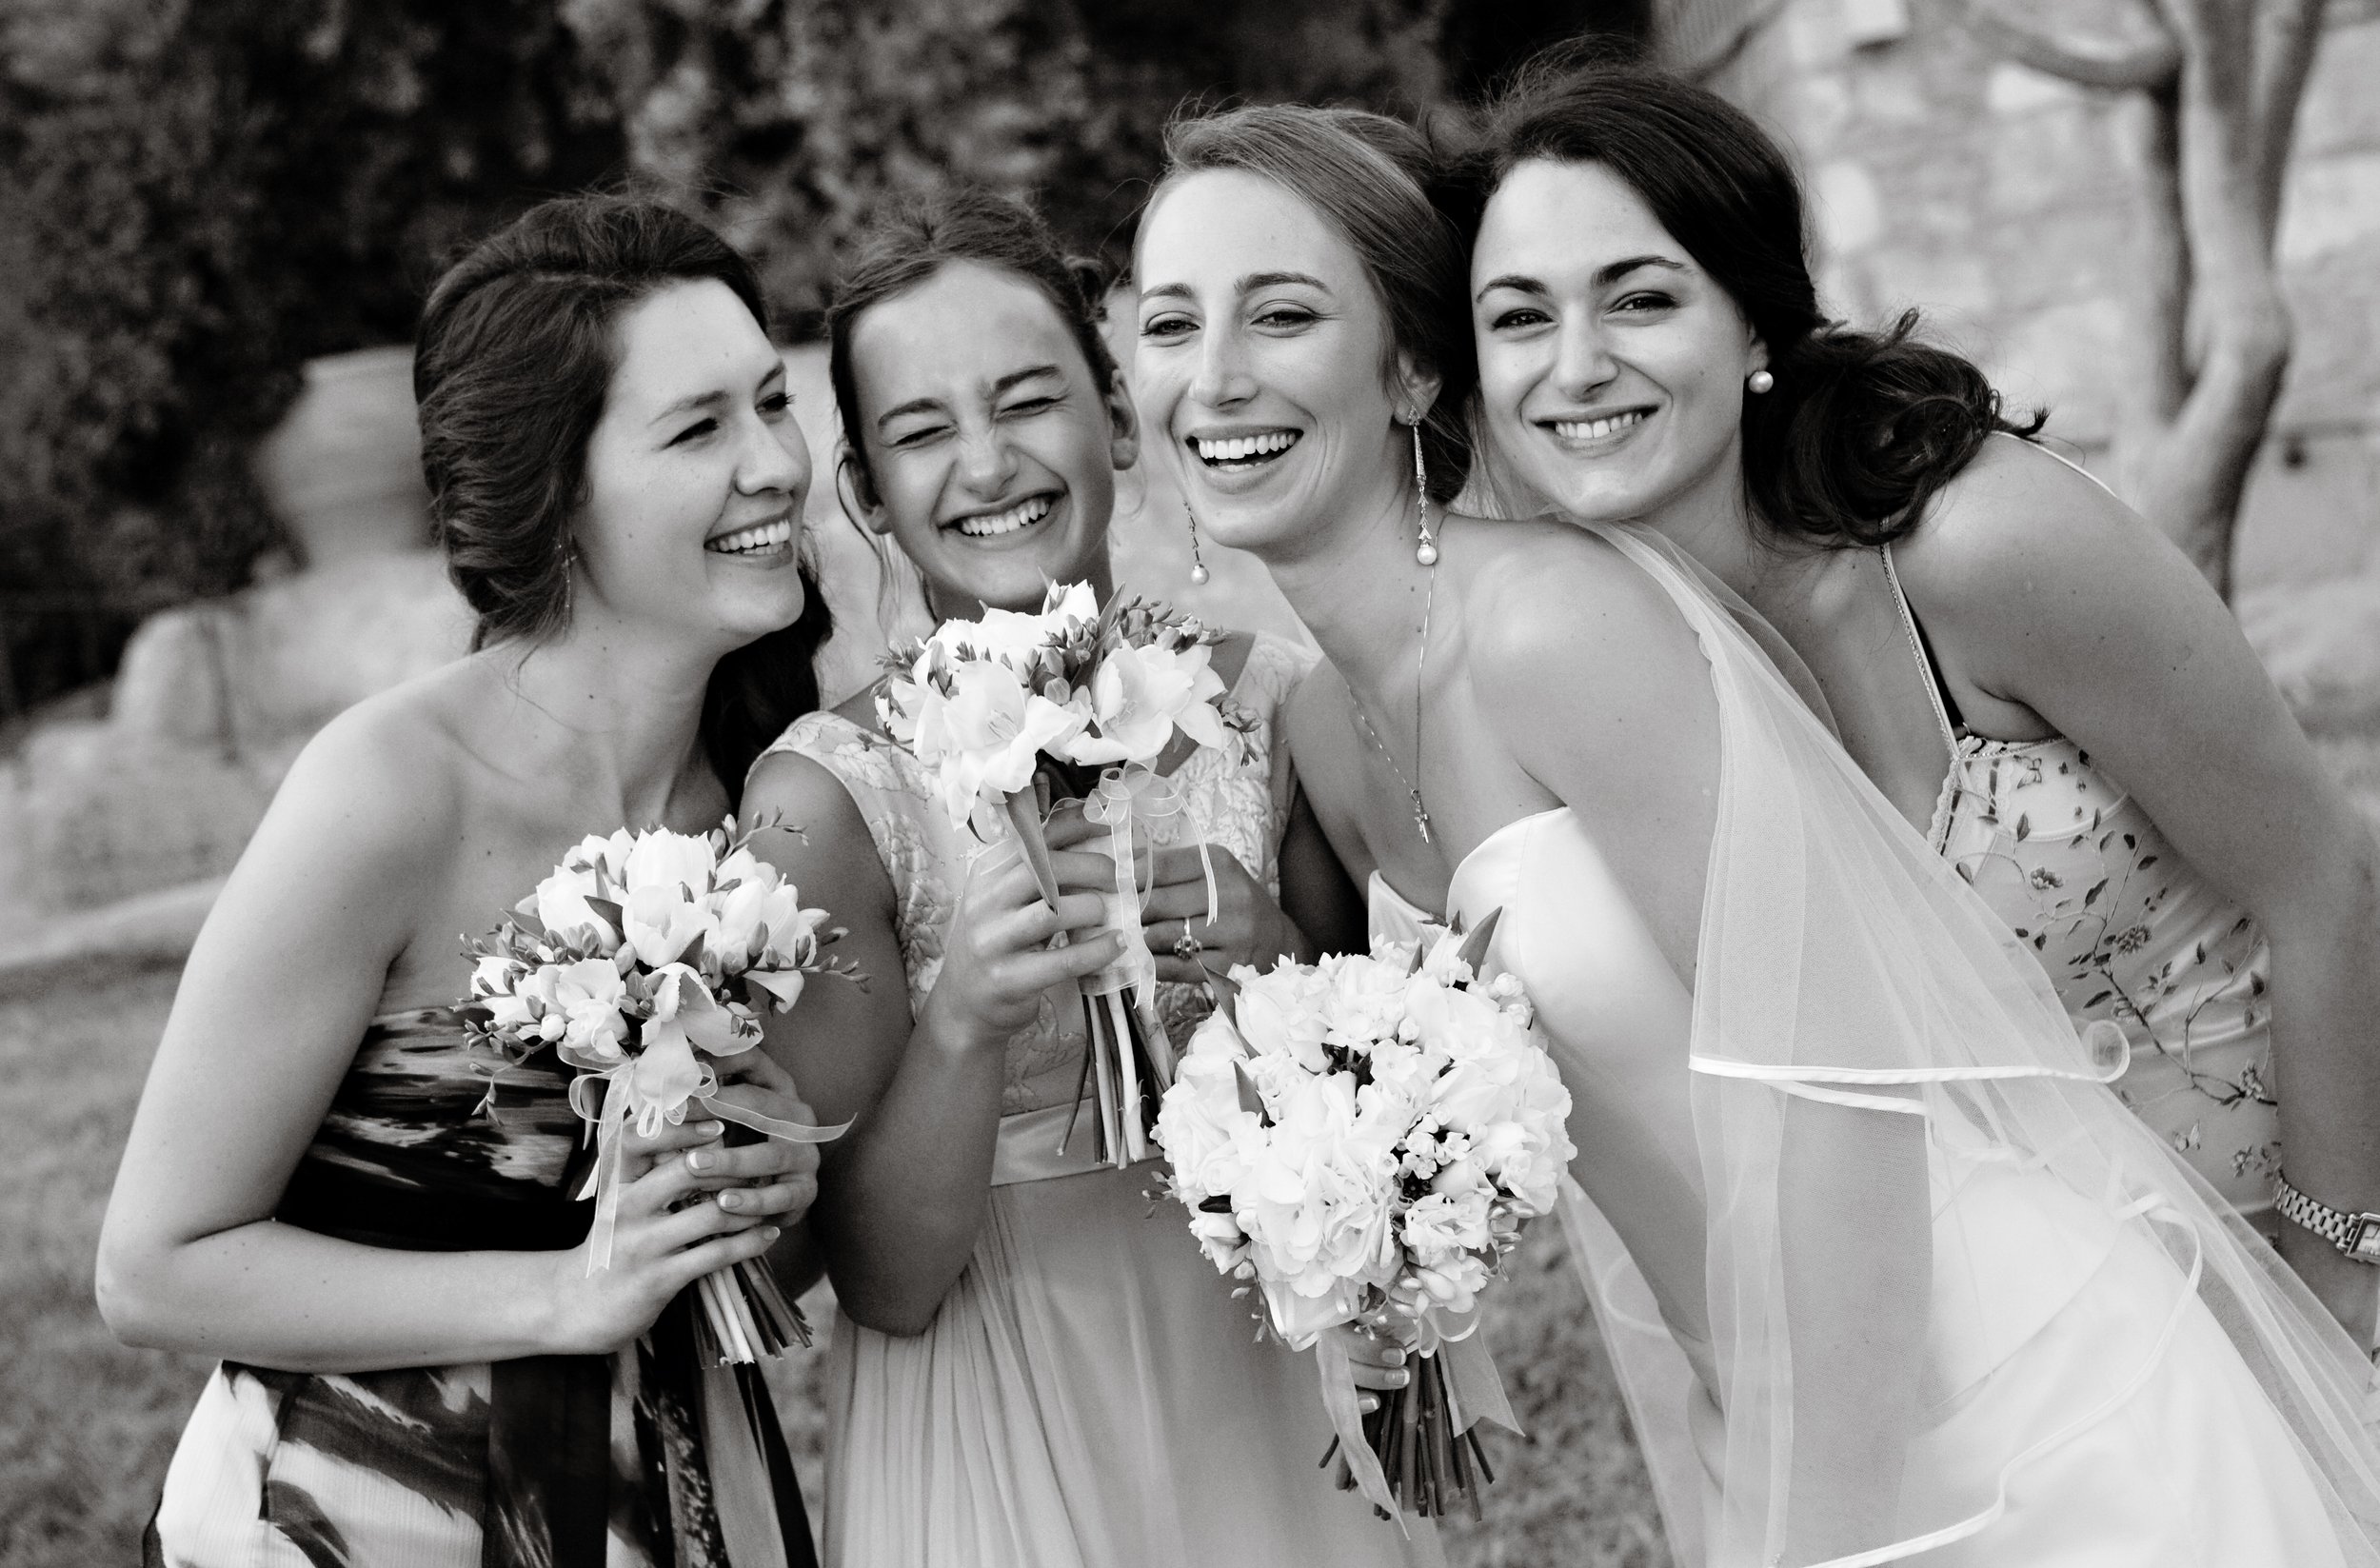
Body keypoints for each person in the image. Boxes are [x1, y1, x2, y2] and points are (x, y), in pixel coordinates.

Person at [1131, 100, 2380, 1567]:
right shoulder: (1343, 727)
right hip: (1802, 1401)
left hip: (2050, 1370)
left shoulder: (1598, 618)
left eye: (1280, 314)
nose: (1215, 378)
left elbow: (1856, 1106)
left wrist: (2341, 1270)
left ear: (1412, 368)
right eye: (1165, 325)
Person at [1455, 58, 2380, 1349]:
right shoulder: (1608, 663)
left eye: (1642, 298)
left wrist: (2342, 1284)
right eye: (1518, 318)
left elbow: (2322, 880)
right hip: (2052, 1351)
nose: (1578, 365)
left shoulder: (1978, 547)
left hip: (2295, 1253)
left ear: (1756, 326)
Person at [98, 194, 836, 1568]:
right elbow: (154, 1267)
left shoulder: (769, 800)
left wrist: (771, 1201)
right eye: (699, 429)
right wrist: (563, 1300)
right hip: (360, 1518)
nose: (777, 464)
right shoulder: (390, 790)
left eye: (772, 403)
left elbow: (727, 1284)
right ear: (555, 497)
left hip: (659, 1506)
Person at [738, 187, 1423, 1568]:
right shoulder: (825, 799)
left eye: (1028, 401)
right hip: (999, 1406)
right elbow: (873, 1281)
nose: (986, 464)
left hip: (1262, 1382)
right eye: (921, 433)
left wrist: (1276, 963)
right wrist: (967, 1019)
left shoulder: (1278, 705)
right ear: (866, 491)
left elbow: (1400, 1140)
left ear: (1116, 416)